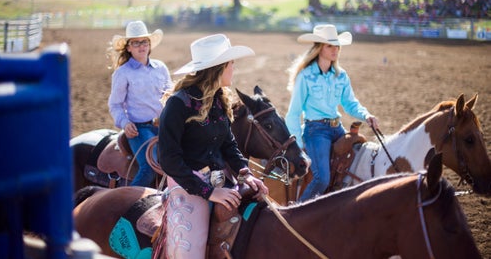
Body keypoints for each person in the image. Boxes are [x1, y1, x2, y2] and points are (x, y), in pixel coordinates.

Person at [158, 34, 269, 259]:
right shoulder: (178, 104)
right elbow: (168, 159)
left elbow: (228, 143)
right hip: (186, 185)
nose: (234, 67)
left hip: (221, 180)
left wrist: (245, 174)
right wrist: (209, 192)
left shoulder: (219, 100)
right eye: (231, 63)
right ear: (218, 68)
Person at [285, 24, 379, 202]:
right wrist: (297, 145)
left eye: (337, 46)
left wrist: (366, 115)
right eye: (330, 46)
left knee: (353, 167)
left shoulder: (341, 76)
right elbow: (293, 113)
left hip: (338, 129)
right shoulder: (305, 76)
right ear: (319, 48)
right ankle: (297, 211)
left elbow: (350, 104)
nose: (335, 49)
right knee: (322, 178)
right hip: (316, 131)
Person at [108, 20, 172, 187]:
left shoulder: (161, 68)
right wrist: (125, 122)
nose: (141, 46)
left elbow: (170, 96)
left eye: (144, 41)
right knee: (149, 168)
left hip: (164, 126)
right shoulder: (123, 73)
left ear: (149, 45)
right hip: (139, 129)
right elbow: (115, 104)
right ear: (128, 47)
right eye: (136, 43)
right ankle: (129, 207)